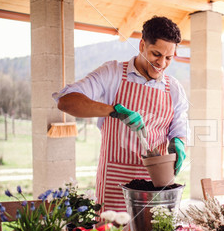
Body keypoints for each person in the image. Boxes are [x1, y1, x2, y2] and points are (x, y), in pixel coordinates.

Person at [53, 16, 188, 212]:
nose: (162, 63)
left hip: (156, 186)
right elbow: (66, 101)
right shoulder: (113, 73)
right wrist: (113, 111)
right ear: (142, 45)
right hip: (115, 184)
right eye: (156, 54)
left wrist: (179, 142)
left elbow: (179, 128)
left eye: (169, 58)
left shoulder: (174, 88)